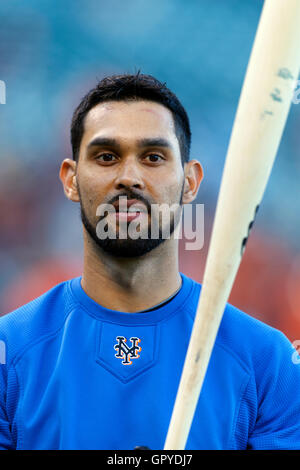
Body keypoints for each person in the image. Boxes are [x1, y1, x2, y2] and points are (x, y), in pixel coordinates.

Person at [1, 73, 300, 450]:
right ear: (71, 179)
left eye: (153, 157)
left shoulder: (268, 363)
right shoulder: (10, 352)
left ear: (190, 182)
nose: (129, 177)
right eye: (106, 156)